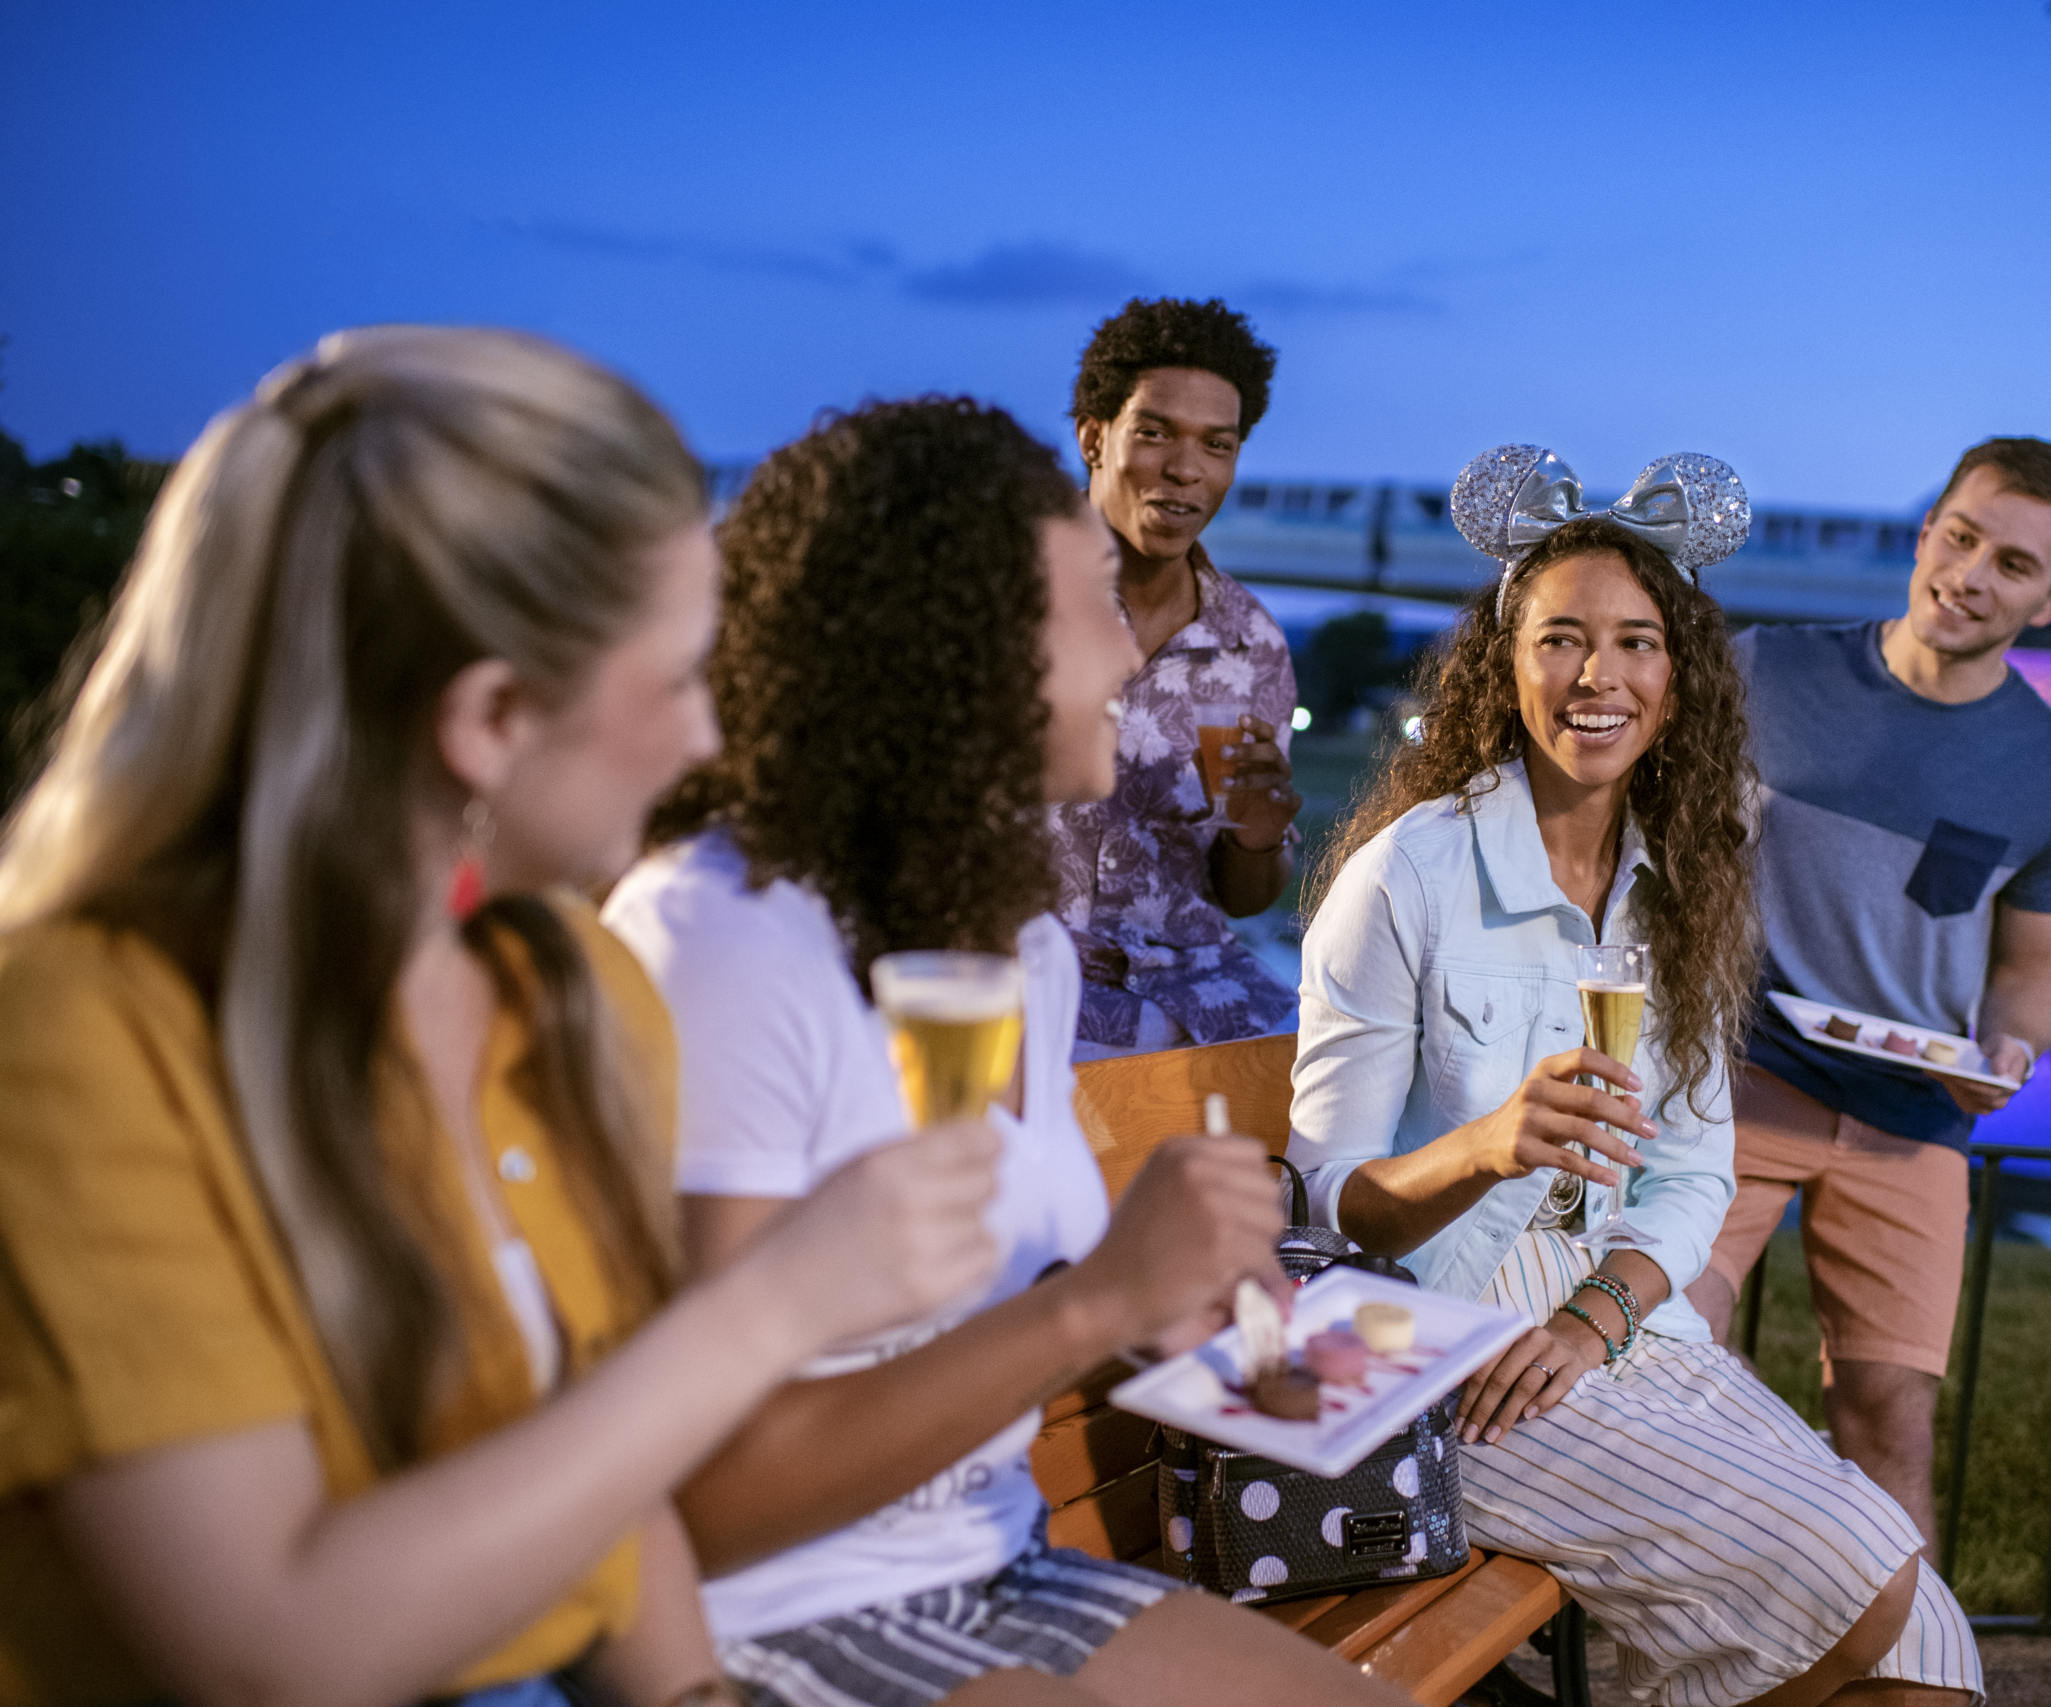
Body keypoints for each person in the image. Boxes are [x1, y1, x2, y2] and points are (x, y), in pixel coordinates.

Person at [0, 329, 1006, 1707]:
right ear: (487, 718)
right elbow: (270, 1647)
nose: (707, 738)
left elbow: (602, 1475)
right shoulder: (78, 1035)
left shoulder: (573, 986)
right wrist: (778, 1301)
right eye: (677, 676)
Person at [603, 397, 1413, 1707]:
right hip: (762, 1613)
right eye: (1088, 602)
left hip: (994, 1564)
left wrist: (1167, 1301)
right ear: (952, 651)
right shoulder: (724, 936)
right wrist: (1092, 1301)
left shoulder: (1012, 933)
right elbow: (698, 1501)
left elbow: (987, 1278)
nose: (1128, 653)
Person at [1289, 445, 1981, 1706]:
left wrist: (1594, 1316)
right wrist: (1486, 1145)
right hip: (1439, 1354)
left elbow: (1691, 1172)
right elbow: (1327, 1207)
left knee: (1932, 1649)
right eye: (1560, 639)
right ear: (1504, 664)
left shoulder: (1684, 881)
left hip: (1609, 1328)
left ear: (1679, 679)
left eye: (1635, 643)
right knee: (1865, 1584)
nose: (1596, 676)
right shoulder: (1408, 875)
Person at [1684, 437, 2051, 1565]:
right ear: (1926, 530)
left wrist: (2006, 1057)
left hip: (1914, 1116)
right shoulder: (1762, 669)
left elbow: (2031, 977)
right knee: (1669, 1340)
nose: (1970, 575)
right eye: (1960, 537)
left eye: (2012, 565)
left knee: (1888, 1419)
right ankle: (1762, 1592)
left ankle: (1909, 1674)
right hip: (1740, 1079)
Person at [1052, 297, 1302, 1059]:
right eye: (1154, 433)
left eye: (1217, 445)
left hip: (1190, 980)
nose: (1187, 469)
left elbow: (1247, 895)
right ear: (1095, 437)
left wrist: (1257, 839)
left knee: (1332, 1091)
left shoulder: (1251, 642)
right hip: (1030, 971)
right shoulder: (1006, 599)